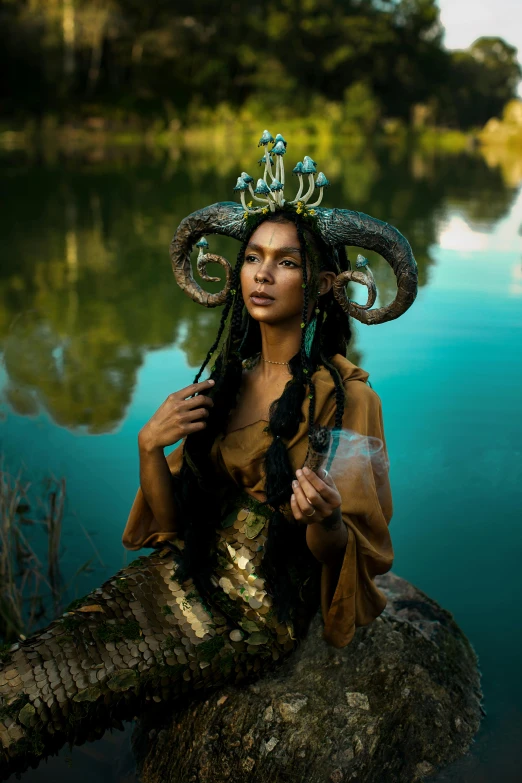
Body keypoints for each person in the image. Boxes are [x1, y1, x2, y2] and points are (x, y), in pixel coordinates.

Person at [122, 131, 418, 689]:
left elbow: (346, 553)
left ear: (323, 284)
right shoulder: (224, 386)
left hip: (261, 616)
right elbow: (172, 526)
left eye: (287, 263)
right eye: (254, 258)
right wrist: (147, 447)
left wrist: (326, 518)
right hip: (192, 582)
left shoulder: (350, 400)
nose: (262, 274)